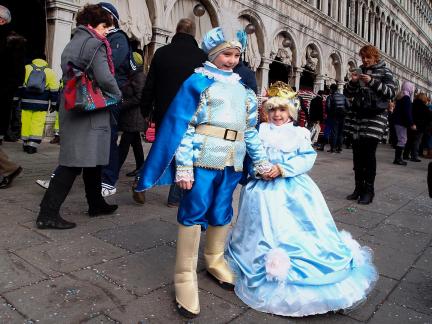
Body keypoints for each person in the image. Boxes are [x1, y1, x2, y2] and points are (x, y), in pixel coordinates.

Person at [134, 26, 271, 317]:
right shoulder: (197, 82)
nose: (232, 60)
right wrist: (183, 166)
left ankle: (214, 258)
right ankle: (184, 274)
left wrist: (259, 161)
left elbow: (250, 131)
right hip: (202, 159)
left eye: (236, 55)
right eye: (226, 54)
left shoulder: (245, 92)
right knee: (194, 211)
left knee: (223, 210)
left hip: (233, 160)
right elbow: (183, 127)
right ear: (213, 54)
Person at [226, 82, 378, 317]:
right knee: (263, 226)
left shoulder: (299, 133)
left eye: (282, 110)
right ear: (266, 111)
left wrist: (282, 168)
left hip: (293, 188)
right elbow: (249, 157)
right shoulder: (259, 132)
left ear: (291, 112)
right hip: (262, 188)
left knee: (303, 227)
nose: (277, 115)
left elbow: (306, 158)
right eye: (273, 110)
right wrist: (259, 170)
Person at [35, 4, 122, 230]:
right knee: (73, 162)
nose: (106, 31)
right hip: (88, 109)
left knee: (90, 157)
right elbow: (104, 77)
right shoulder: (95, 44)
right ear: (92, 24)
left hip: (73, 103)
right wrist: (117, 94)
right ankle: (47, 212)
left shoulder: (74, 42)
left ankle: (96, 203)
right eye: (104, 26)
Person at [137, 18, 207, 206]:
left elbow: (149, 84)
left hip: (164, 111)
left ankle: (141, 182)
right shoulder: (202, 57)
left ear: (176, 31)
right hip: (190, 113)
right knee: (185, 151)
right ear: (194, 34)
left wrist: (145, 108)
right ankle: (175, 197)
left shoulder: (161, 53)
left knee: (161, 148)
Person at [344, 45, 395, 204]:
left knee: (368, 154)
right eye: (363, 57)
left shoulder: (385, 72)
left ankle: (369, 191)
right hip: (358, 118)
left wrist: (372, 81)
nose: (365, 60)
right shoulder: (359, 71)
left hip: (375, 118)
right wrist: (352, 82)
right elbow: (348, 93)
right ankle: (358, 188)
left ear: (375, 57)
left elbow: (391, 92)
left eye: (368, 57)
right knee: (357, 155)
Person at [98, 2, 135, 197]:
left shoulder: (117, 38)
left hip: (111, 96)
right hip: (101, 95)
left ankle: (109, 179)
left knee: (109, 137)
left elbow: (111, 67)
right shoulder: (102, 38)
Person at [13, 54, 59, 154]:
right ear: (45, 60)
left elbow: (18, 85)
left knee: (26, 122)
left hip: (26, 102)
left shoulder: (26, 68)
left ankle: (25, 143)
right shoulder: (50, 72)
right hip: (42, 104)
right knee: (37, 123)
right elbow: (54, 90)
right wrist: (54, 104)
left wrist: (16, 99)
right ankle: (32, 146)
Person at [117, 52, 146, 177]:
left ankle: (113, 170)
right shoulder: (132, 75)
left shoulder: (139, 76)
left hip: (134, 117)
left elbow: (139, 97)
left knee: (124, 145)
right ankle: (141, 167)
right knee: (136, 143)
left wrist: (123, 104)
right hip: (131, 116)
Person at [0, 5, 26, 145]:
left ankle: (10, 167)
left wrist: (6, 91)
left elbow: (17, 73)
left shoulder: (13, 42)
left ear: (2, 21)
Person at [392, 81, 415, 166]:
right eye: (412, 88)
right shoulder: (406, 98)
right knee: (402, 140)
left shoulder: (400, 96)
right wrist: (411, 123)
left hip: (398, 121)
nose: (413, 90)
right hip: (401, 122)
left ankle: (398, 158)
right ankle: (398, 159)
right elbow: (407, 112)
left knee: (401, 139)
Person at [405, 93, 431, 162]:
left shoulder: (412, 104)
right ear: (423, 98)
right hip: (420, 127)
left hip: (411, 125)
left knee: (409, 140)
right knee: (417, 141)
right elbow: (429, 117)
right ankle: (414, 156)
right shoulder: (424, 107)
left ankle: (406, 155)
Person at [326, 83, 350, 153]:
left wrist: (330, 115)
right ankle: (339, 148)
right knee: (341, 132)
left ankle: (333, 148)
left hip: (334, 117)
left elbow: (328, 107)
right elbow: (348, 105)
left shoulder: (330, 97)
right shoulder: (343, 96)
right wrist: (345, 113)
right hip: (342, 116)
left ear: (331, 89)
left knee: (334, 132)